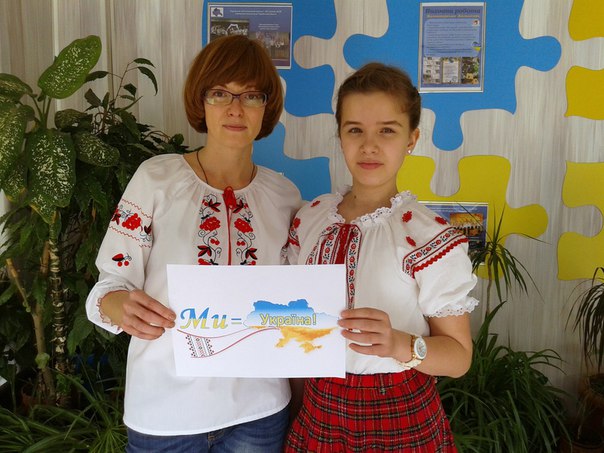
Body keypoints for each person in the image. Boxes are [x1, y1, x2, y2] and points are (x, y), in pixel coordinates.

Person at [85, 35, 301, 452]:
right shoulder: (156, 179)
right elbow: (109, 283)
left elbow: (295, 301)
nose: (235, 108)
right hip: (165, 411)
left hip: (258, 411)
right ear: (200, 101)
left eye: (251, 95)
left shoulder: (285, 197)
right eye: (220, 93)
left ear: (267, 107)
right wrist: (119, 306)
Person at [284, 63, 479, 452]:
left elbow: (459, 358)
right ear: (340, 136)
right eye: (355, 130)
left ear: (412, 138)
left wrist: (399, 344)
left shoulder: (429, 237)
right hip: (319, 408)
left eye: (387, 130)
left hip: (401, 413)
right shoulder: (309, 219)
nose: (369, 146)